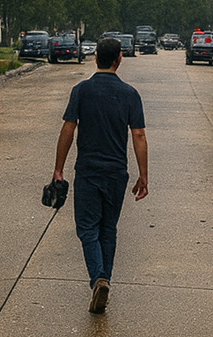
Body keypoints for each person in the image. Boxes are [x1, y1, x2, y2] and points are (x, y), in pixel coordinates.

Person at [51, 36, 150, 314]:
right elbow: (139, 135)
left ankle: (98, 279)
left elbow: (68, 130)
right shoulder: (130, 94)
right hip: (117, 173)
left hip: (88, 172)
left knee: (87, 229)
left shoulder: (81, 91)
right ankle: (104, 281)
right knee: (108, 229)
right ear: (119, 59)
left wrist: (58, 168)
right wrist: (143, 175)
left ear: (96, 57)